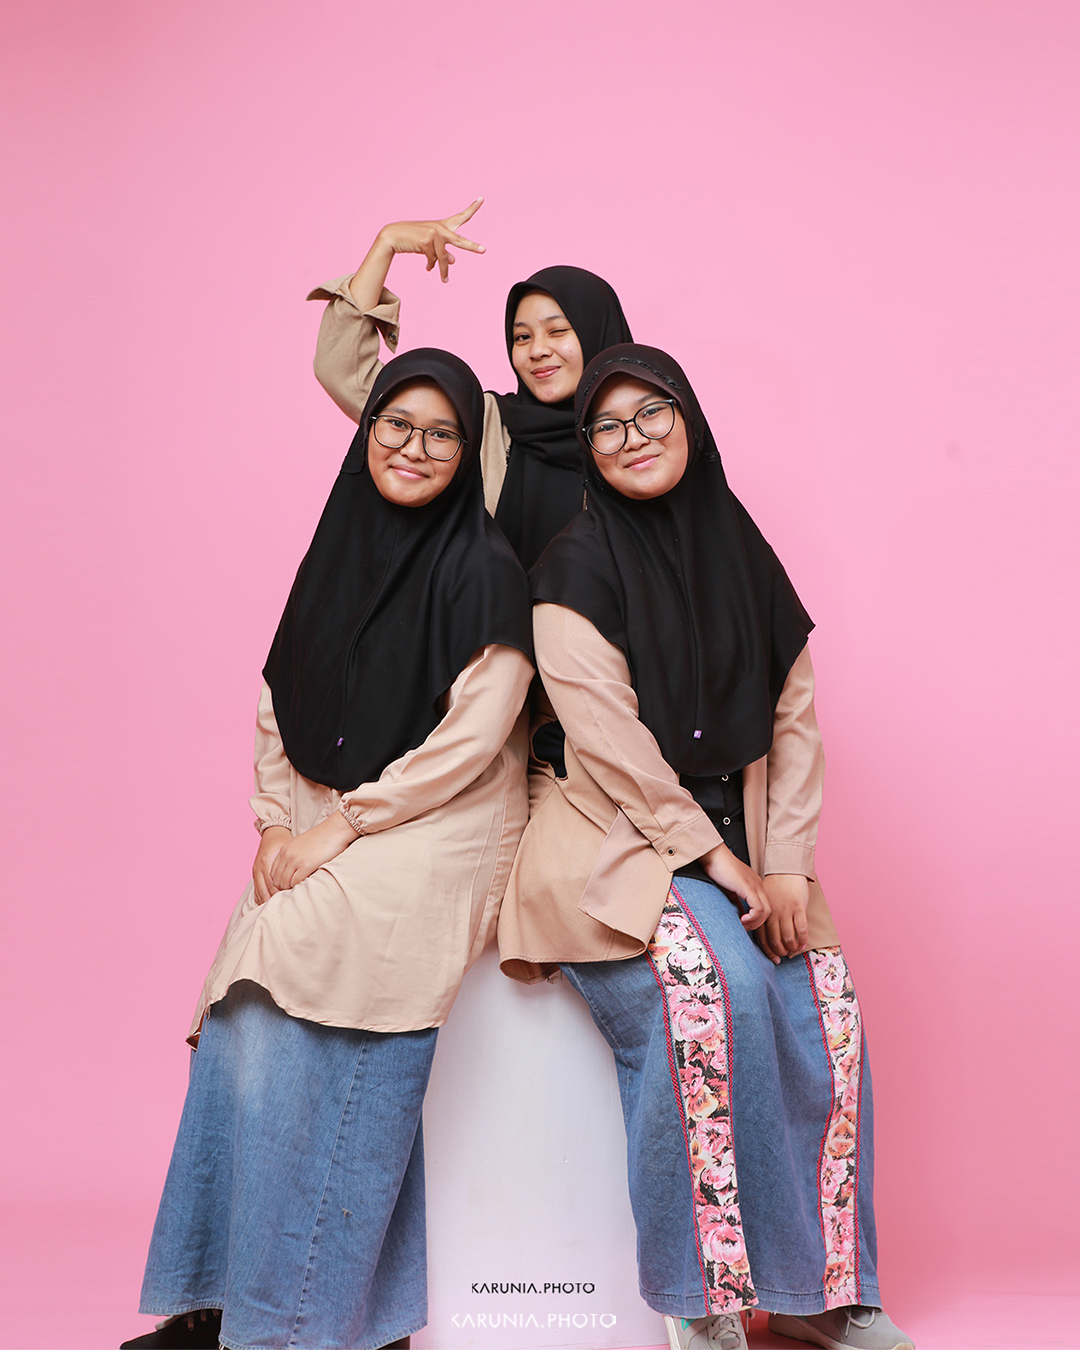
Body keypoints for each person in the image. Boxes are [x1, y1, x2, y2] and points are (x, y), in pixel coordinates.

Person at [497, 344, 915, 1350]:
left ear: (690, 421)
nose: (632, 440)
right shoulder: (571, 565)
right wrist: (711, 857)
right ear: (588, 449)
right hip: (617, 842)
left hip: (743, 844)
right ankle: (706, 1301)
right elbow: (605, 740)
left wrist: (786, 865)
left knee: (825, 999)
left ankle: (822, 1298)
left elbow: (795, 723)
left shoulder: (743, 553)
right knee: (711, 988)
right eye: (609, 426)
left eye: (653, 416)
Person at [121, 349, 534, 1350]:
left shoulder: (487, 570)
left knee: (293, 958)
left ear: (468, 451)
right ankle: (226, 1298)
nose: (415, 449)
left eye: (442, 435)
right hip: (335, 808)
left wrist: (343, 826)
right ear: (368, 433)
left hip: (448, 815)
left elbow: (475, 740)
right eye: (398, 426)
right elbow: (282, 699)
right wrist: (276, 823)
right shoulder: (335, 552)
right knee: (242, 1004)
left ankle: (290, 1318)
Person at [308, 200, 632, 567]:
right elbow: (342, 369)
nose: (537, 350)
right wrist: (386, 244)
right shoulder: (482, 423)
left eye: (557, 331)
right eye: (521, 337)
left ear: (599, 333)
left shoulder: (638, 437)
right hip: (478, 621)